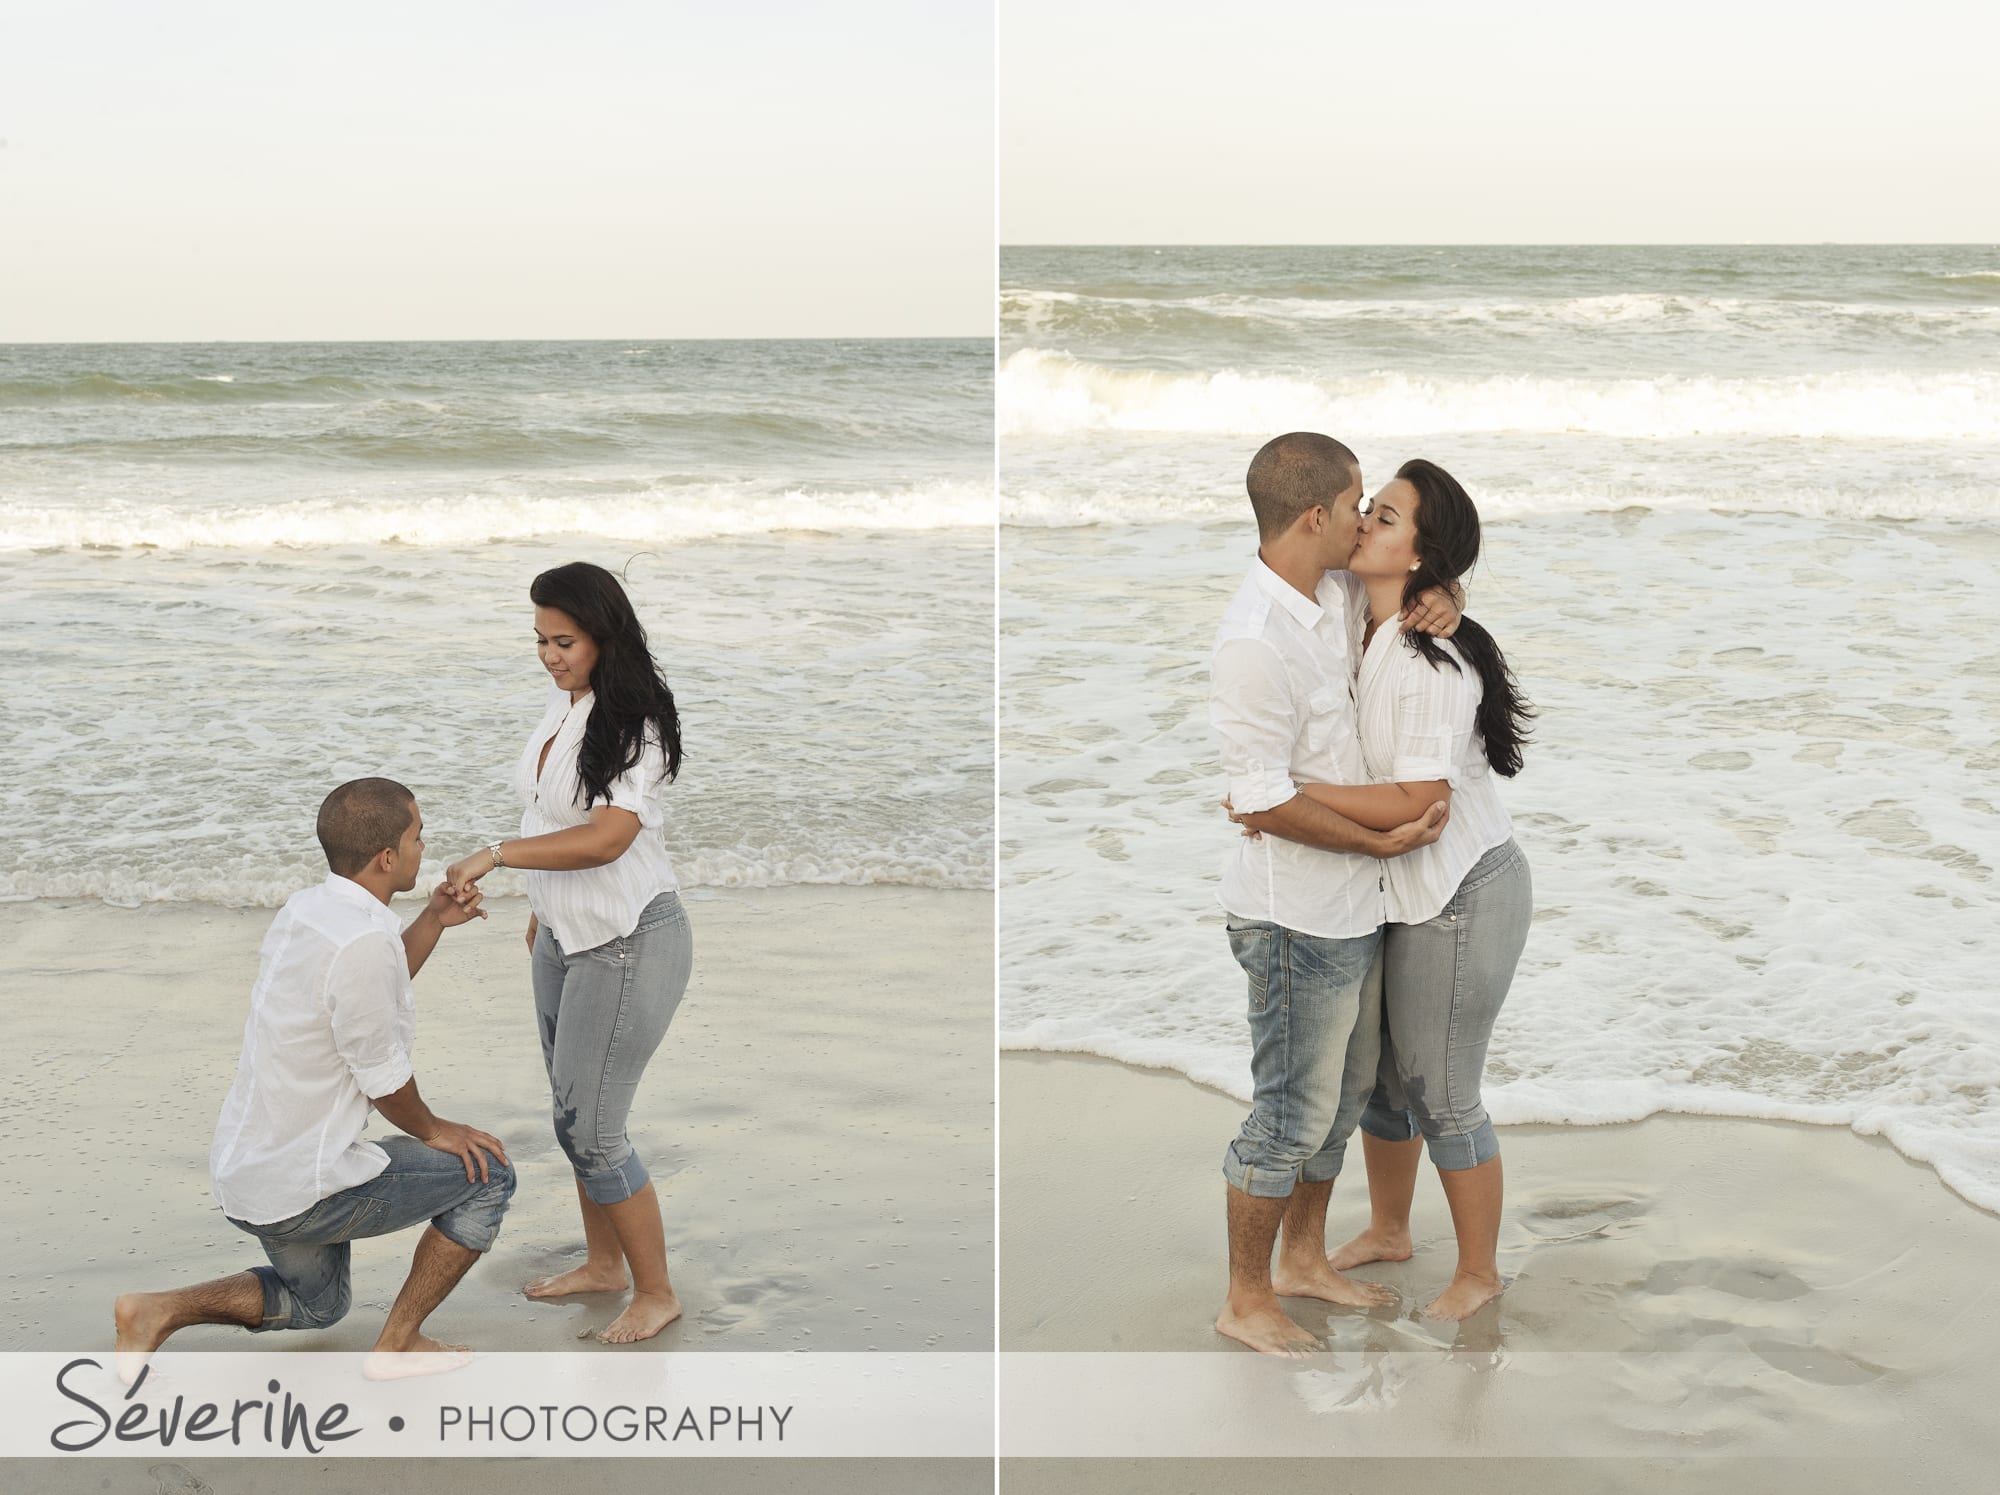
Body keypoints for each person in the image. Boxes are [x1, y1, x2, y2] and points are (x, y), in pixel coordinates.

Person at [112, 778, 514, 1380]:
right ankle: (398, 1345)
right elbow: (383, 1078)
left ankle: (157, 1311)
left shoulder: (309, 909)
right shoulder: (364, 941)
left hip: (249, 1174)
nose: (422, 847)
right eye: (416, 837)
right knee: (490, 1175)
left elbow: (366, 989)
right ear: (386, 858)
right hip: (303, 1186)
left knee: (319, 1305)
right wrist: (436, 1131)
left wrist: (432, 918)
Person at [1208, 432, 1461, 1356]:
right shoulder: (1253, 641)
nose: (1365, 520)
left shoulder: (1335, 589)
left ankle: (1304, 1258)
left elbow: (1411, 586)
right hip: (1292, 918)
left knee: (1340, 1102)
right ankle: (1245, 1296)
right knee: (1286, 1113)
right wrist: (1381, 837)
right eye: (1357, 504)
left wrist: (1446, 592)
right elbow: (1262, 796)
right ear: (1316, 515)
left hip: (1354, 906)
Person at [1278, 458, 1534, 1320]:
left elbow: (1424, 797)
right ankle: (1390, 1228)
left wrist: (1287, 799)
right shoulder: (1361, 610)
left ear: (1421, 557)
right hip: (1395, 885)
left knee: (1444, 1088)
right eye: (1370, 509)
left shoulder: (1429, 659)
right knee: (1387, 1084)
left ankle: (1479, 1272)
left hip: (1458, 891)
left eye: (1385, 518)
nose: (1363, 524)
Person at [444, 560, 691, 1345]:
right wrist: (541, 912)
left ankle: (655, 1291)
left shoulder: (635, 720)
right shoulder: (567, 706)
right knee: (569, 1116)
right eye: (541, 640)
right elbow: (554, 814)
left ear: (602, 635)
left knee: (595, 1128)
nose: (551, 655)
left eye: (565, 640)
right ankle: (603, 1263)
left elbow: (609, 836)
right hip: (563, 937)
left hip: (627, 941)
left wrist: (499, 856)